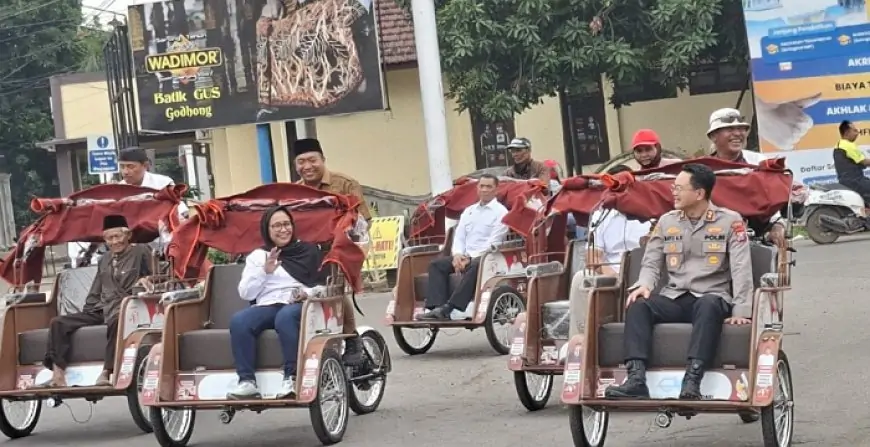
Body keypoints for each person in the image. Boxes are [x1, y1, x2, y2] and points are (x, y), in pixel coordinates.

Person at [604, 163, 753, 400]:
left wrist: (741, 309)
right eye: (673, 187)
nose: (673, 192)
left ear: (699, 193)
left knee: (708, 305)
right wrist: (645, 285)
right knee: (639, 305)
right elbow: (651, 262)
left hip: (711, 297)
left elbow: (741, 268)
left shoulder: (730, 221)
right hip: (675, 296)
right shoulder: (666, 221)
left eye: (679, 188)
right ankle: (636, 379)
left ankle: (692, 379)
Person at [36, 215, 153, 388]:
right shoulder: (103, 259)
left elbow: (156, 275)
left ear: (127, 235)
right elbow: (96, 289)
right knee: (58, 323)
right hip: (102, 309)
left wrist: (147, 278)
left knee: (116, 321)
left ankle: (107, 372)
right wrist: (87, 311)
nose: (114, 242)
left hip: (128, 307)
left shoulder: (141, 251)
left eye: (117, 236)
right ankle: (58, 374)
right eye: (109, 238)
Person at [227, 206, 328, 400]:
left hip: (301, 305)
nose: (283, 230)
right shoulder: (258, 256)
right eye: (277, 226)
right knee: (240, 321)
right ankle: (247, 382)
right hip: (269, 305)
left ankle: (291, 377)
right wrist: (264, 271)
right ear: (267, 229)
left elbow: (323, 285)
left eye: (286, 224)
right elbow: (246, 293)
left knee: (286, 316)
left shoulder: (308, 251)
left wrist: (305, 293)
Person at [291, 138, 370, 367]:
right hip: (309, 252)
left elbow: (362, 222)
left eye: (312, 160)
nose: (307, 166)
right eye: (301, 162)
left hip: (344, 248)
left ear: (323, 160)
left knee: (334, 285)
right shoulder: (295, 191)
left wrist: (344, 242)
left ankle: (352, 337)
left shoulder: (345, 184)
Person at [417, 174, 509, 320]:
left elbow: (494, 242)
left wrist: (469, 258)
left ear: (496, 190)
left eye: (489, 187)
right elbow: (459, 236)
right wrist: (458, 255)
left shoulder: (501, 213)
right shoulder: (469, 211)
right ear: (477, 189)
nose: (484, 190)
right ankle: (438, 308)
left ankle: (450, 307)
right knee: (436, 265)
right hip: (465, 256)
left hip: (487, 257)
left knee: (475, 266)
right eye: (481, 186)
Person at [706, 108, 786, 246]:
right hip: (715, 235)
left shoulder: (759, 162)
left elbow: (772, 199)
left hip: (756, 232)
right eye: (730, 129)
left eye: (741, 129)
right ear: (714, 136)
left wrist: (778, 224)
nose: (737, 134)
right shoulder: (705, 169)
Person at [586, 165, 651, 276]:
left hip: (646, 273)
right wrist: (615, 277)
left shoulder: (650, 213)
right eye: (615, 187)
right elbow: (593, 258)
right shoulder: (599, 216)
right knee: (581, 277)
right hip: (610, 275)